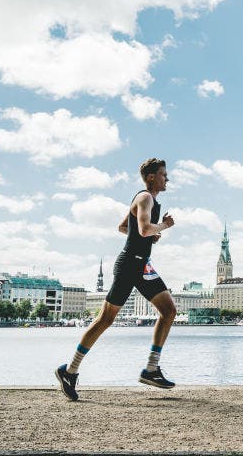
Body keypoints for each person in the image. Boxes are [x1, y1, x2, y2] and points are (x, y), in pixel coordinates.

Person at [55, 158, 178, 401]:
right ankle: (69, 371)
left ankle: (151, 369)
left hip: (142, 265)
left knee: (169, 310)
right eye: (164, 174)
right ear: (151, 177)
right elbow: (144, 229)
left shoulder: (147, 200)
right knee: (105, 320)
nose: (167, 178)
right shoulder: (145, 198)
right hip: (129, 265)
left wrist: (149, 235)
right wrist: (163, 225)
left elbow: (124, 227)